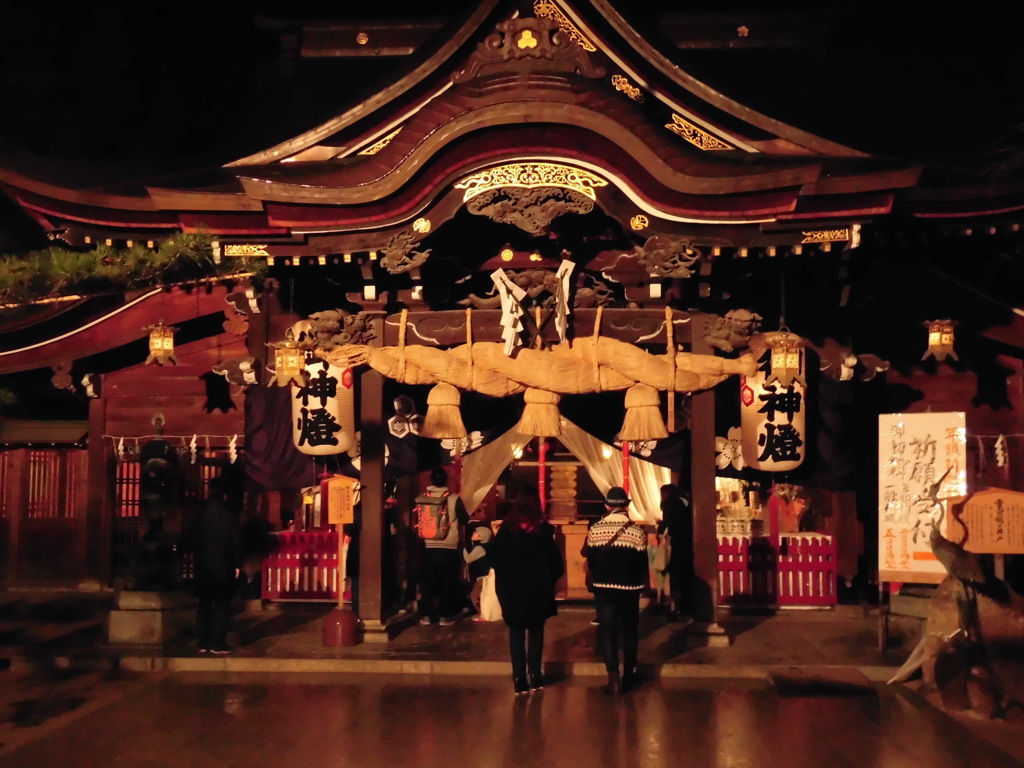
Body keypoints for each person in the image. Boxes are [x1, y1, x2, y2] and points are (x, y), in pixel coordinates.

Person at [489, 486, 564, 694]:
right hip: (538, 591)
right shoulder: (544, 532)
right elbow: (557, 566)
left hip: (512, 591)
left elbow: (495, 559)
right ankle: (536, 676)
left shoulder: (506, 531)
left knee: (516, 633)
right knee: (536, 632)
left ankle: (519, 679)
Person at [583, 486, 648, 694]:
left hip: (604, 589)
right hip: (630, 588)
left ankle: (613, 678)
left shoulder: (595, 529)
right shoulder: (637, 531)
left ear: (607, 505)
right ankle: (630, 674)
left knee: (608, 631)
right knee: (630, 630)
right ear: (626, 506)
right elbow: (642, 564)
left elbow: (590, 559)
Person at [185, 477, 242, 654]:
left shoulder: (199, 515)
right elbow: (236, 542)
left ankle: (202, 642)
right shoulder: (228, 516)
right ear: (224, 495)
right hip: (224, 565)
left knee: (203, 604)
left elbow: (189, 538)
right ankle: (218, 643)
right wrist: (237, 564)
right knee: (222, 604)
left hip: (203, 565)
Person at [417, 467, 468, 626]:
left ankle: (426, 615)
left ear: (432, 481)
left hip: (428, 545)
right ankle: (445, 616)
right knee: (447, 582)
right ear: (446, 480)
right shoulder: (453, 499)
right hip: (448, 546)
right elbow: (464, 519)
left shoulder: (423, 497)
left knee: (427, 582)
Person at [657, 484, 694, 622]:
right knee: (687, 577)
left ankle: (678, 609)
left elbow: (668, 522)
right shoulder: (686, 500)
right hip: (689, 543)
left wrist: (660, 529)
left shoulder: (670, 503)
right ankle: (688, 608)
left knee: (676, 577)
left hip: (677, 543)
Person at [463, 517, 494, 620]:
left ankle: (481, 614)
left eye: (475, 533)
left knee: (475, 596)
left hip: (481, 577)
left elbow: (468, 559)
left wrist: (463, 549)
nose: (473, 534)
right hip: (489, 576)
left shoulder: (479, 548)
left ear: (481, 536)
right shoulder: (489, 546)